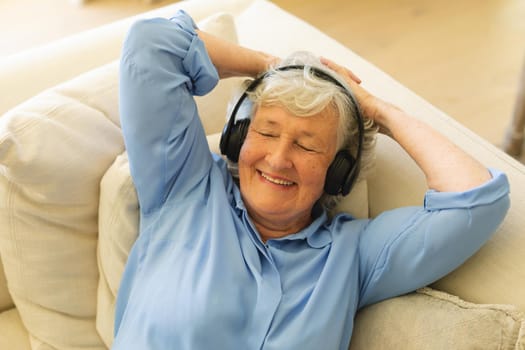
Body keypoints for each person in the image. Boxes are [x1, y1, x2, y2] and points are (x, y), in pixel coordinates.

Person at [113, 10, 510, 350]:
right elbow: (151, 44)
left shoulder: (353, 254)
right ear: (239, 138)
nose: (279, 159)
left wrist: (378, 110)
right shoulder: (185, 188)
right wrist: (274, 67)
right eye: (267, 133)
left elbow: (476, 199)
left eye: (306, 146)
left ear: (339, 171)